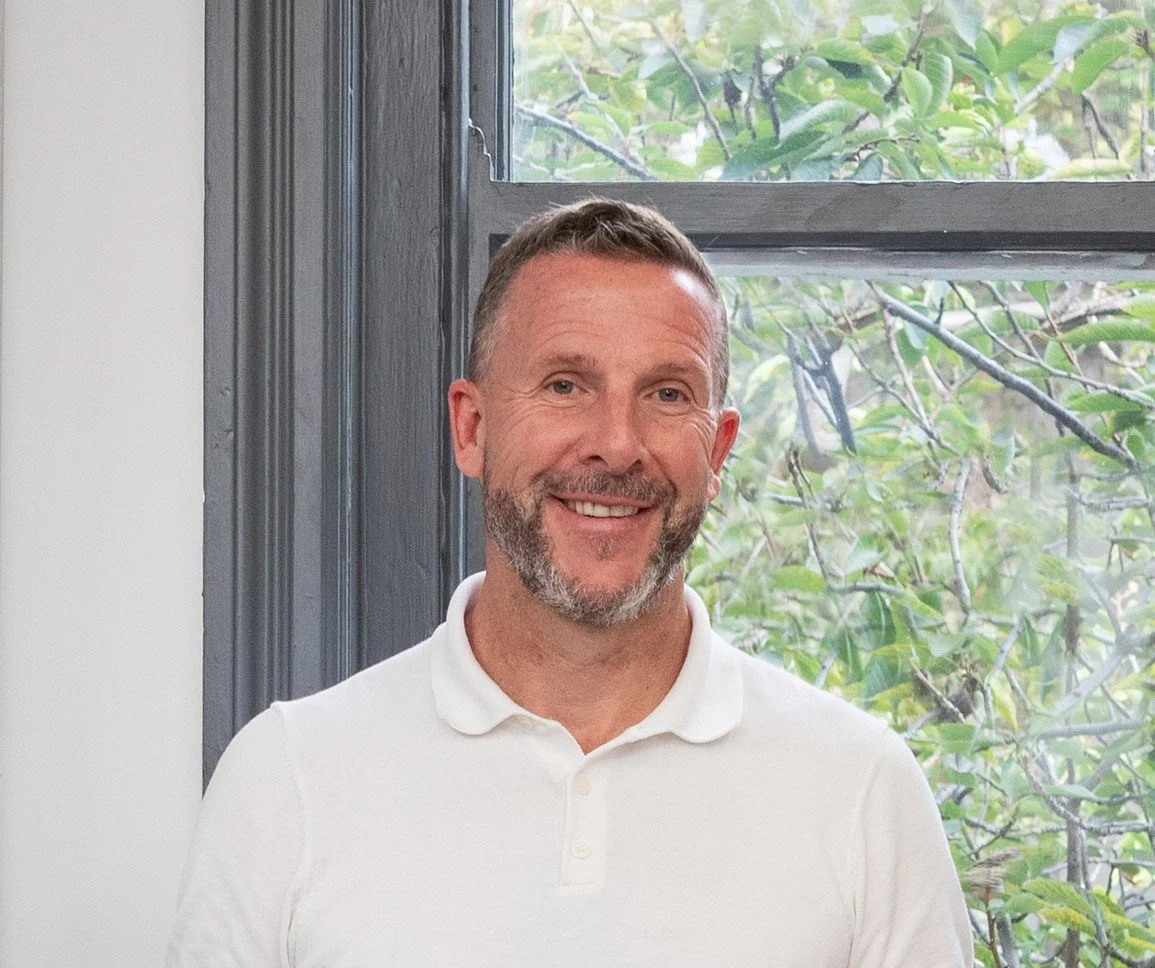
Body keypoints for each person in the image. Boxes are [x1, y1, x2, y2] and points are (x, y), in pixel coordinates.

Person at [167, 199, 973, 966]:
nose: (615, 446)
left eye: (665, 394)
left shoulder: (861, 789)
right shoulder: (287, 776)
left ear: (718, 450)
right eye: (565, 385)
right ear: (471, 428)